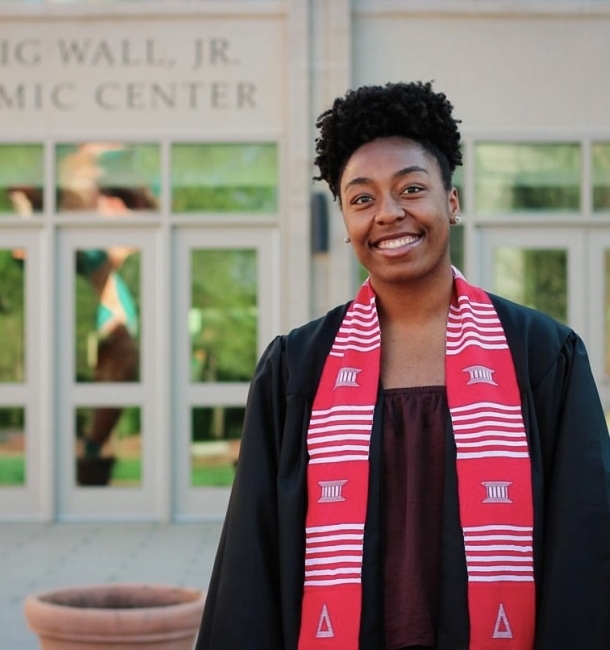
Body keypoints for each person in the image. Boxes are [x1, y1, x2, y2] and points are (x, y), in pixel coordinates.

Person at [195, 81, 610, 649]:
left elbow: (584, 549)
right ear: (345, 222)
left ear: (452, 203)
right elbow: (253, 552)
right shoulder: (299, 367)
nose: (389, 214)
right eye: (362, 199)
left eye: (411, 189)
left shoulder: (540, 354)